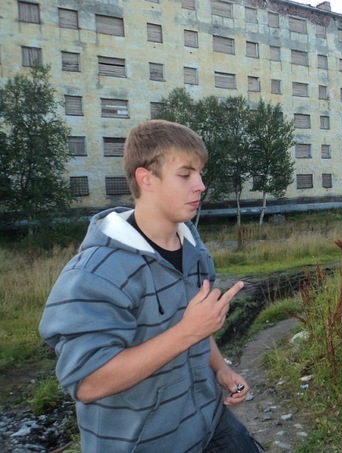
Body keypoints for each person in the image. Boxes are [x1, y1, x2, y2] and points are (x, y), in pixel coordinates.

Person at [39, 120, 262, 452]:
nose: (201, 185)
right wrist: (186, 331)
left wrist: (221, 369)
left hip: (209, 419)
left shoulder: (194, 248)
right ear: (146, 179)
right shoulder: (95, 272)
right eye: (185, 175)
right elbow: (87, 382)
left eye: (200, 174)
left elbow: (198, 326)